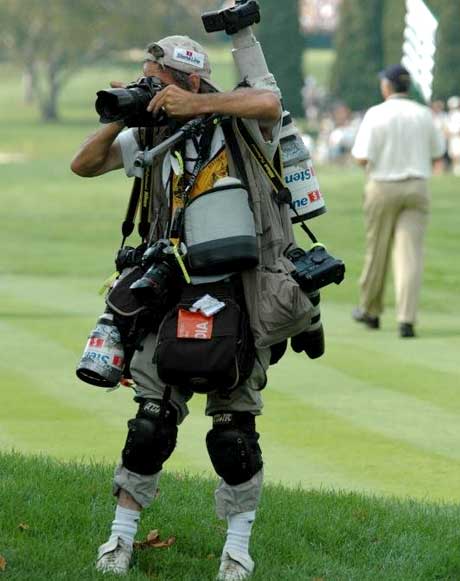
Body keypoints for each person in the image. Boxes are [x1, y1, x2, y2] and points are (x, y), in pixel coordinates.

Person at [71, 35, 307, 579]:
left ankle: (237, 552)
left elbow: (269, 102)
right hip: (168, 296)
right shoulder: (151, 133)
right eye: (147, 76)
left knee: (233, 434)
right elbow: (84, 164)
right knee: (150, 425)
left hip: (241, 298)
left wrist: (196, 106)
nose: (153, 86)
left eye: (160, 79)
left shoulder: (240, 126)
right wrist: (123, 110)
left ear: (192, 80)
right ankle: (119, 541)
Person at [351, 64, 445, 338]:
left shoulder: (376, 114)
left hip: (383, 185)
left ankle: (370, 310)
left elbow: (361, 157)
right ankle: (406, 319)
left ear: (387, 87)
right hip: (417, 186)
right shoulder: (423, 114)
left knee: (377, 251)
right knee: (410, 254)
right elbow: (437, 151)